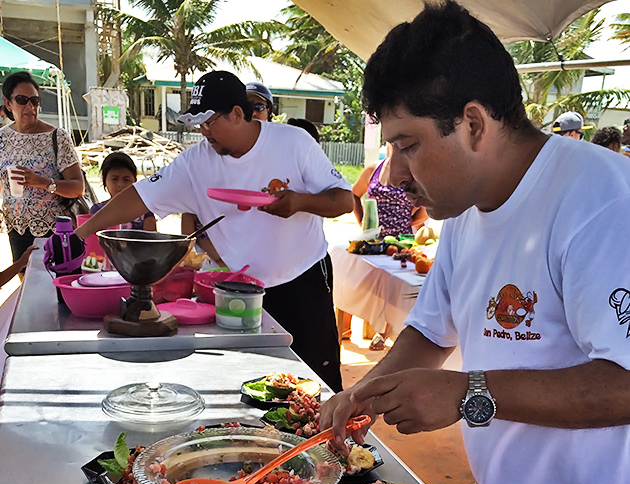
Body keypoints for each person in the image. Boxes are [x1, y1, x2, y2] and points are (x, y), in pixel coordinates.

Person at [320, 0, 630, 484]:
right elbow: (431, 331)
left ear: (473, 123)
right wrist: (362, 394)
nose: (394, 176)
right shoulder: (467, 215)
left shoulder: (598, 202)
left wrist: (468, 394)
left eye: (406, 145)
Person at [74, 71, 353, 392]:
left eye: (210, 122)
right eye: (198, 124)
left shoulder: (293, 143)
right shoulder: (196, 163)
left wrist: (299, 202)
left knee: (314, 379)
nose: (204, 132)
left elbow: (343, 200)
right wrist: (82, 233)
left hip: (303, 281)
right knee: (251, 381)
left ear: (237, 113)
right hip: (237, 289)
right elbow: (139, 197)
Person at [0, 71, 84, 261]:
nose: (30, 106)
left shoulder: (57, 137)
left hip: (54, 229)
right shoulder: (2, 138)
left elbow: (78, 188)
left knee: (52, 284)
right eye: (22, 100)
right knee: (26, 283)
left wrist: (42, 182)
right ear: (8, 103)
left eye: (35, 101)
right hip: (16, 227)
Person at [352, 144, 428, 235]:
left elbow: (427, 204)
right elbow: (354, 194)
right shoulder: (373, 169)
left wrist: (407, 222)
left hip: (401, 242)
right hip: (372, 239)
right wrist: (362, 220)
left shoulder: (413, 173)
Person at [89, 152, 156, 231]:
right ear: (104, 181)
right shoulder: (97, 211)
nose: (120, 184)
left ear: (135, 181)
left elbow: (151, 240)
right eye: (114, 179)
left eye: (126, 180)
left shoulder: (144, 211)